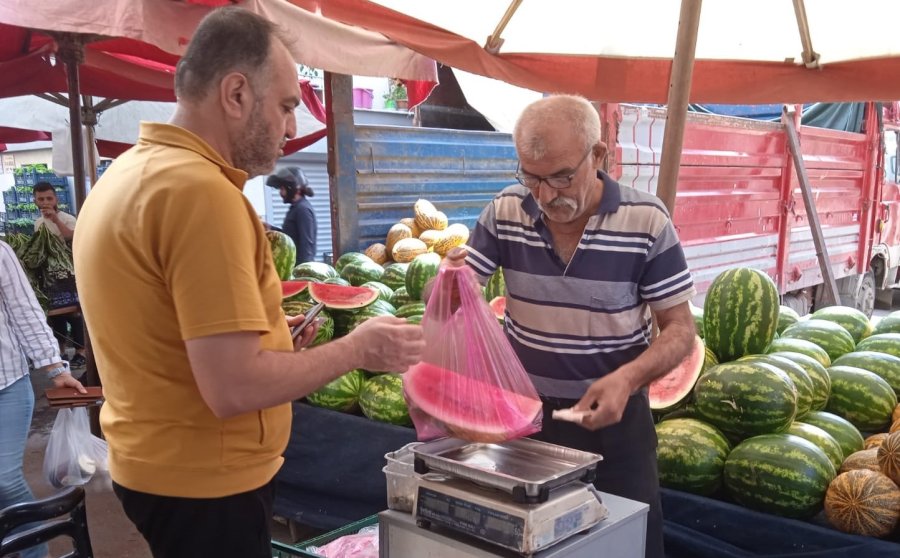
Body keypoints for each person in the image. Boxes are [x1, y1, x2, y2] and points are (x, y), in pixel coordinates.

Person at [72, 8, 424, 558]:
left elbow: (167, 329)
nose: (291, 128)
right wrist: (359, 348)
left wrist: (268, 334)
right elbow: (234, 388)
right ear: (236, 93)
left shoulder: (129, 172)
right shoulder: (202, 194)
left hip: (152, 467)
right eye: (286, 106)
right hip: (206, 484)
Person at [445, 95, 696, 558]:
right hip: (526, 421)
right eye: (531, 177)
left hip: (617, 427)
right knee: (533, 545)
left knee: (629, 544)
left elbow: (680, 329)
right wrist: (448, 279)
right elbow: (453, 297)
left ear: (599, 156)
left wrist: (628, 378)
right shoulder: (505, 210)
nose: (545, 195)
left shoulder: (646, 220)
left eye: (561, 176)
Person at [1, 239, 86, 558]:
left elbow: (25, 313)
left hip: (6, 383)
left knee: (3, 479)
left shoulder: (1, 253)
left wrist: (54, 367)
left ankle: (33, 551)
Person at [33, 181, 87, 370]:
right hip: (50, 277)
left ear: (56, 199)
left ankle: (81, 352)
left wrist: (56, 219)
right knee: (56, 316)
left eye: (49, 198)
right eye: (41, 199)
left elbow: (72, 237)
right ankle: (61, 350)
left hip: (70, 274)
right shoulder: (38, 223)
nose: (45, 201)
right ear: (35, 201)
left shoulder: (67, 218)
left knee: (74, 313)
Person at [267, 166, 318, 264]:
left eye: (282, 188)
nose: (280, 193)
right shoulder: (296, 208)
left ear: (292, 188)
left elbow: (306, 247)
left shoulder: (303, 210)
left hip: (298, 269)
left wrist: (301, 274)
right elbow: (290, 237)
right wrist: (270, 228)